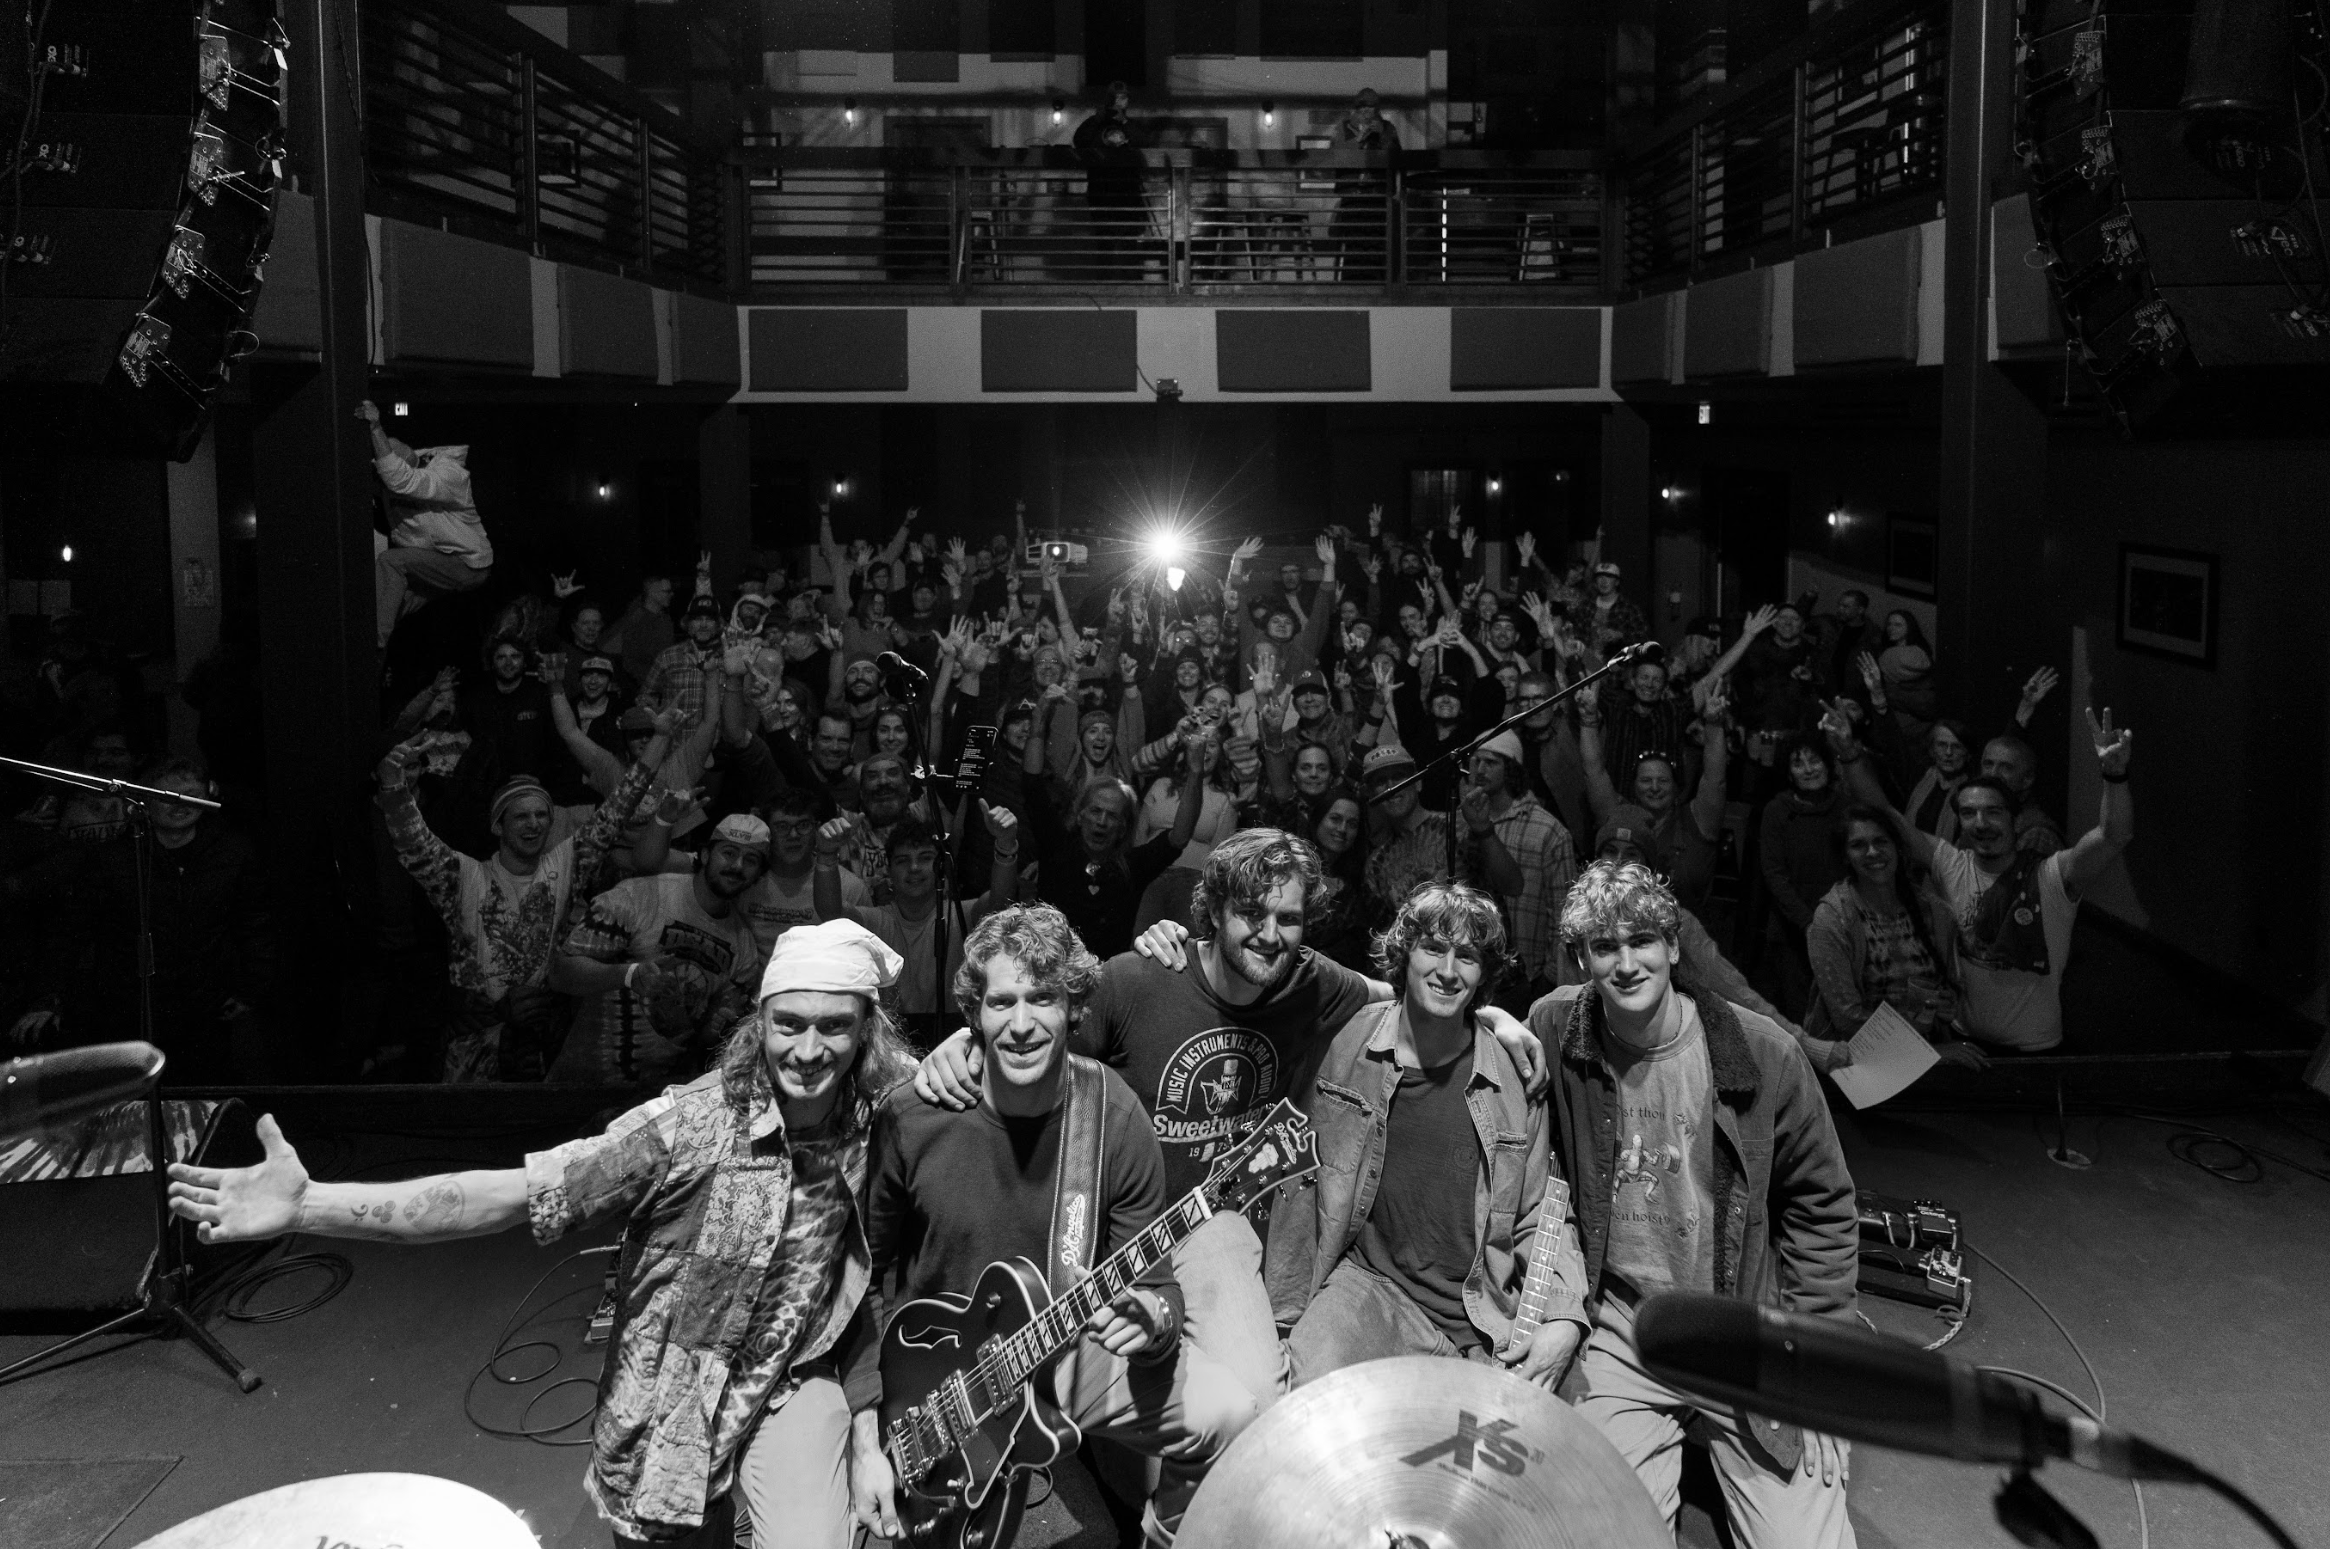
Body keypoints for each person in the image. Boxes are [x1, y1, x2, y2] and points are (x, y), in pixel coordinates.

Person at [167, 918, 919, 1549]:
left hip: (788, 1389)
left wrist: (957, 1057)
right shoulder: (688, 1125)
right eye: (790, 1022)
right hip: (671, 1428)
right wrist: (312, 1207)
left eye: (835, 1025)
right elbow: (502, 1197)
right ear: (761, 1023)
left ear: (866, 1032)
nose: (810, 1049)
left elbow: (993, 1073)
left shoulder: (881, 1112)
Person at [847, 904, 1258, 1548]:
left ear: (1074, 1009)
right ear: (973, 1014)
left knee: (1230, 1414)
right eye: (1001, 1002)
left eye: (1043, 999)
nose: (1020, 1025)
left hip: (1060, 1345)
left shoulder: (1112, 1115)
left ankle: (1161, 1538)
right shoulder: (913, 1116)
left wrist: (1153, 1322)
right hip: (931, 1371)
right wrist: (864, 1434)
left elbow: (1155, 1285)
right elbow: (862, 1276)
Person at [1526, 860, 1861, 1548]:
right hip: (1625, 1328)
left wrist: (1820, 1365)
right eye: (1603, 946)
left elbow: (1822, 1205)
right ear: (1580, 959)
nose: (1625, 962)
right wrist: (1500, 1026)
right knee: (1594, 1533)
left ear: (1674, 947)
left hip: (1744, 1331)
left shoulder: (1764, 1053)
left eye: (1641, 940)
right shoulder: (1556, 1026)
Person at [1269, 883, 1588, 1386]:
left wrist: (1565, 1316)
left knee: (1542, 1453)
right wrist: (1283, 1316)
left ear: (1483, 975)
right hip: (1372, 1290)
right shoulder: (1348, 1042)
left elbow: (1538, 1214)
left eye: (1466, 956)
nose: (1446, 970)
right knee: (1311, 1404)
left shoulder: (1514, 1077)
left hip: (1484, 1318)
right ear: (1405, 954)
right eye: (1433, 949)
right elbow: (1298, 1185)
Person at [379, 716, 674, 1082]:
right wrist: (392, 783)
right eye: (521, 816)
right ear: (498, 826)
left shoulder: (565, 864)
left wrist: (660, 737)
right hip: (476, 1043)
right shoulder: (464, 876)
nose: (533, 824)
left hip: (541, 1037)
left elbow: (617, 809)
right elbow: (413, 843)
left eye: (541, 816)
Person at [1827, 704, 2135, 1053]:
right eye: (1969, 813)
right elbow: (1884, 813)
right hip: (1963, 1040)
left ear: (2014, 820)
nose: (1981, 823)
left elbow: (2113, 837)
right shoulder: (1951, 864)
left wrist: (2115, 776)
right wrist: (1849, 754)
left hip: (2035, 1047)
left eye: (1992, 812)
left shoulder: (2051, 874)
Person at [547, 814, 772, 1087]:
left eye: (751, 860)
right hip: (582, 1084)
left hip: (659, 1101)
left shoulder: (744, 948)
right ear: (704, 854)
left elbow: (705, 1043)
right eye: (729, 853)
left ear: (759, 874)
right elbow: (560, 974)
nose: (737, 866)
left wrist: (714, 1031)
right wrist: (629, 974)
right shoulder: (639, 896)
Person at [813, 803, 1021, 1051]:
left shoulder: (961, 913)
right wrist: (826, 855)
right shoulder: (877, 921)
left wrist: (1005, 845)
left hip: (960, 1038)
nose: (914, 868)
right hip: (891, 1043)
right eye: (903, 861)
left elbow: (1001, 900)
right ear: (888, 871)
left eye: (925, 858)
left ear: (941, 867)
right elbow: (831, 914)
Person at [1806, 806, 1983, 1068]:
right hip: (1859, 1065)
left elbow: (1949, 988)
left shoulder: (1933, 910)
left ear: (1898, 847)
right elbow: (1848, 1021)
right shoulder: (1834, 918)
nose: (1873, 852)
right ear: (1845, 856)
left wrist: (1945, 1006)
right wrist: (1928, 1054)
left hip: (1927, 1057)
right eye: (1858, 845)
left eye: (1881, 841)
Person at [361, 401, 492, 649]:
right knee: (391, 604)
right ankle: (374, 659)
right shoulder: (388, 485)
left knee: (391, 561)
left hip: (467, 565)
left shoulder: (450, 475)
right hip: (436, 565)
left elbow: (400, 481)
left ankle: (377, 648)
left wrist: (375, 428)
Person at [1463, 730, 1576, 1004]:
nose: (1479, 769)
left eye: (1490, 762)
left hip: (1526, 978)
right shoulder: (1460, 821)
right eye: (1475, 761)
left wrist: (1548, 978)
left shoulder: (1548, 830)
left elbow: (1563, 911)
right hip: (1469, 970)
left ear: (1511, 767)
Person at [605, 572, 678, 689]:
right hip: (645, 686)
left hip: (665, 683)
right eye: (667, 591)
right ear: (652, 593)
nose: (672, 594)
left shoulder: (665, 619)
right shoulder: (636, 620)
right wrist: (650, 682)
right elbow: (629, 660)